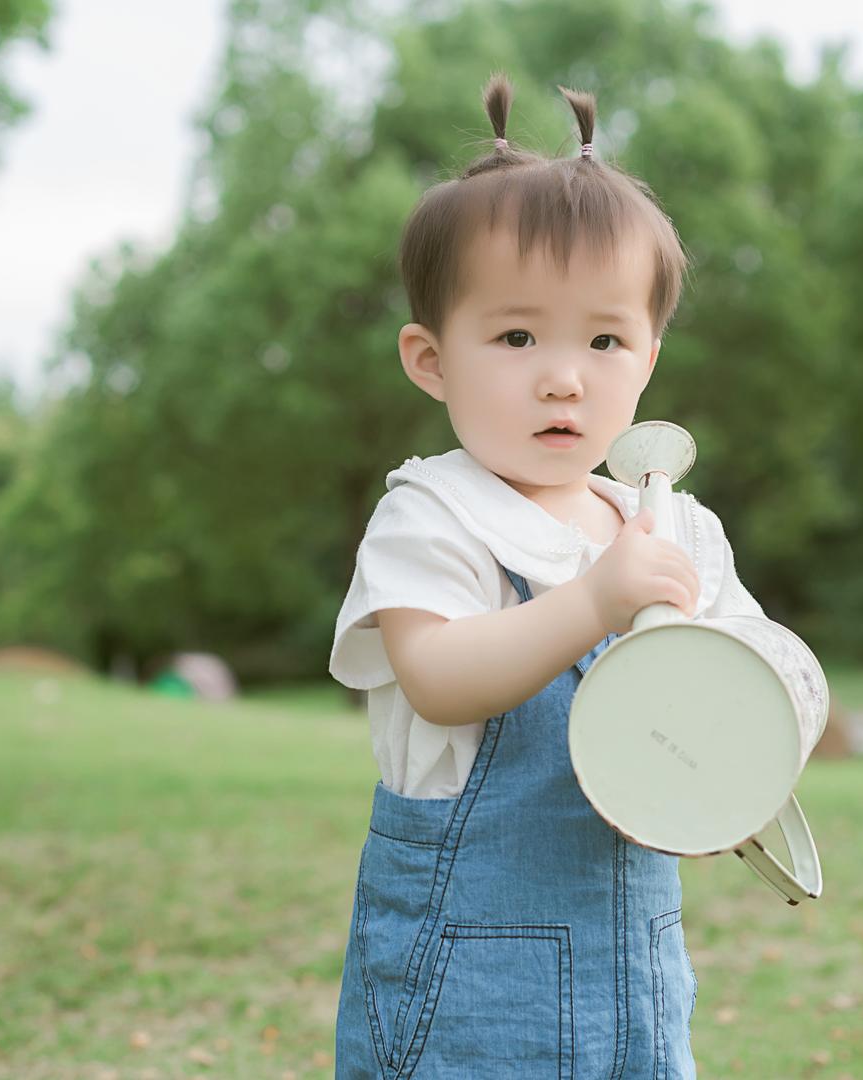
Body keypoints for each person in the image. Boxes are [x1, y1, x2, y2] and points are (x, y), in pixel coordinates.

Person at [328, 70, 768, 1079]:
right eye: (518, 335)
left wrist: (720, 791)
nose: (564, 374)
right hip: (468, 980)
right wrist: (595, 601)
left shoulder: (673, 528)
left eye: (605, 338)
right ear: (431, 359)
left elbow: (744, 684)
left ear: (649, 356)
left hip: (636, 965)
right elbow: (437, 675)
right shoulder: (431, 514)